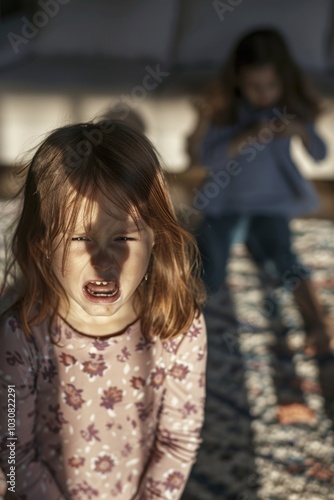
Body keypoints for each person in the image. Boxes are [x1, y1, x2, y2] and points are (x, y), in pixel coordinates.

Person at [0, 120, 207, 499]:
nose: (103, 260)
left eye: (123, 237)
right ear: (43, 243)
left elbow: (178, 439)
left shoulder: (178, 324)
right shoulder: (23, 332)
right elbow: (13, 453)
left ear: (155, 238)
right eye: (81, 238)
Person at [192, 29, 332, 356]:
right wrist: (247, 136)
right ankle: (181, 327)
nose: (262, 94)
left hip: (271, 207)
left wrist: (299, 131)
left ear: (284, 81)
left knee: (282, 259)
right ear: (238, 80)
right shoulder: (228, 113)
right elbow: (205, 158)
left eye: (270, 86)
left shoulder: (290, 113)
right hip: (224, 205)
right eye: (253, 86)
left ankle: (318, 323)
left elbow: (321, 154)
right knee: (207, 267)